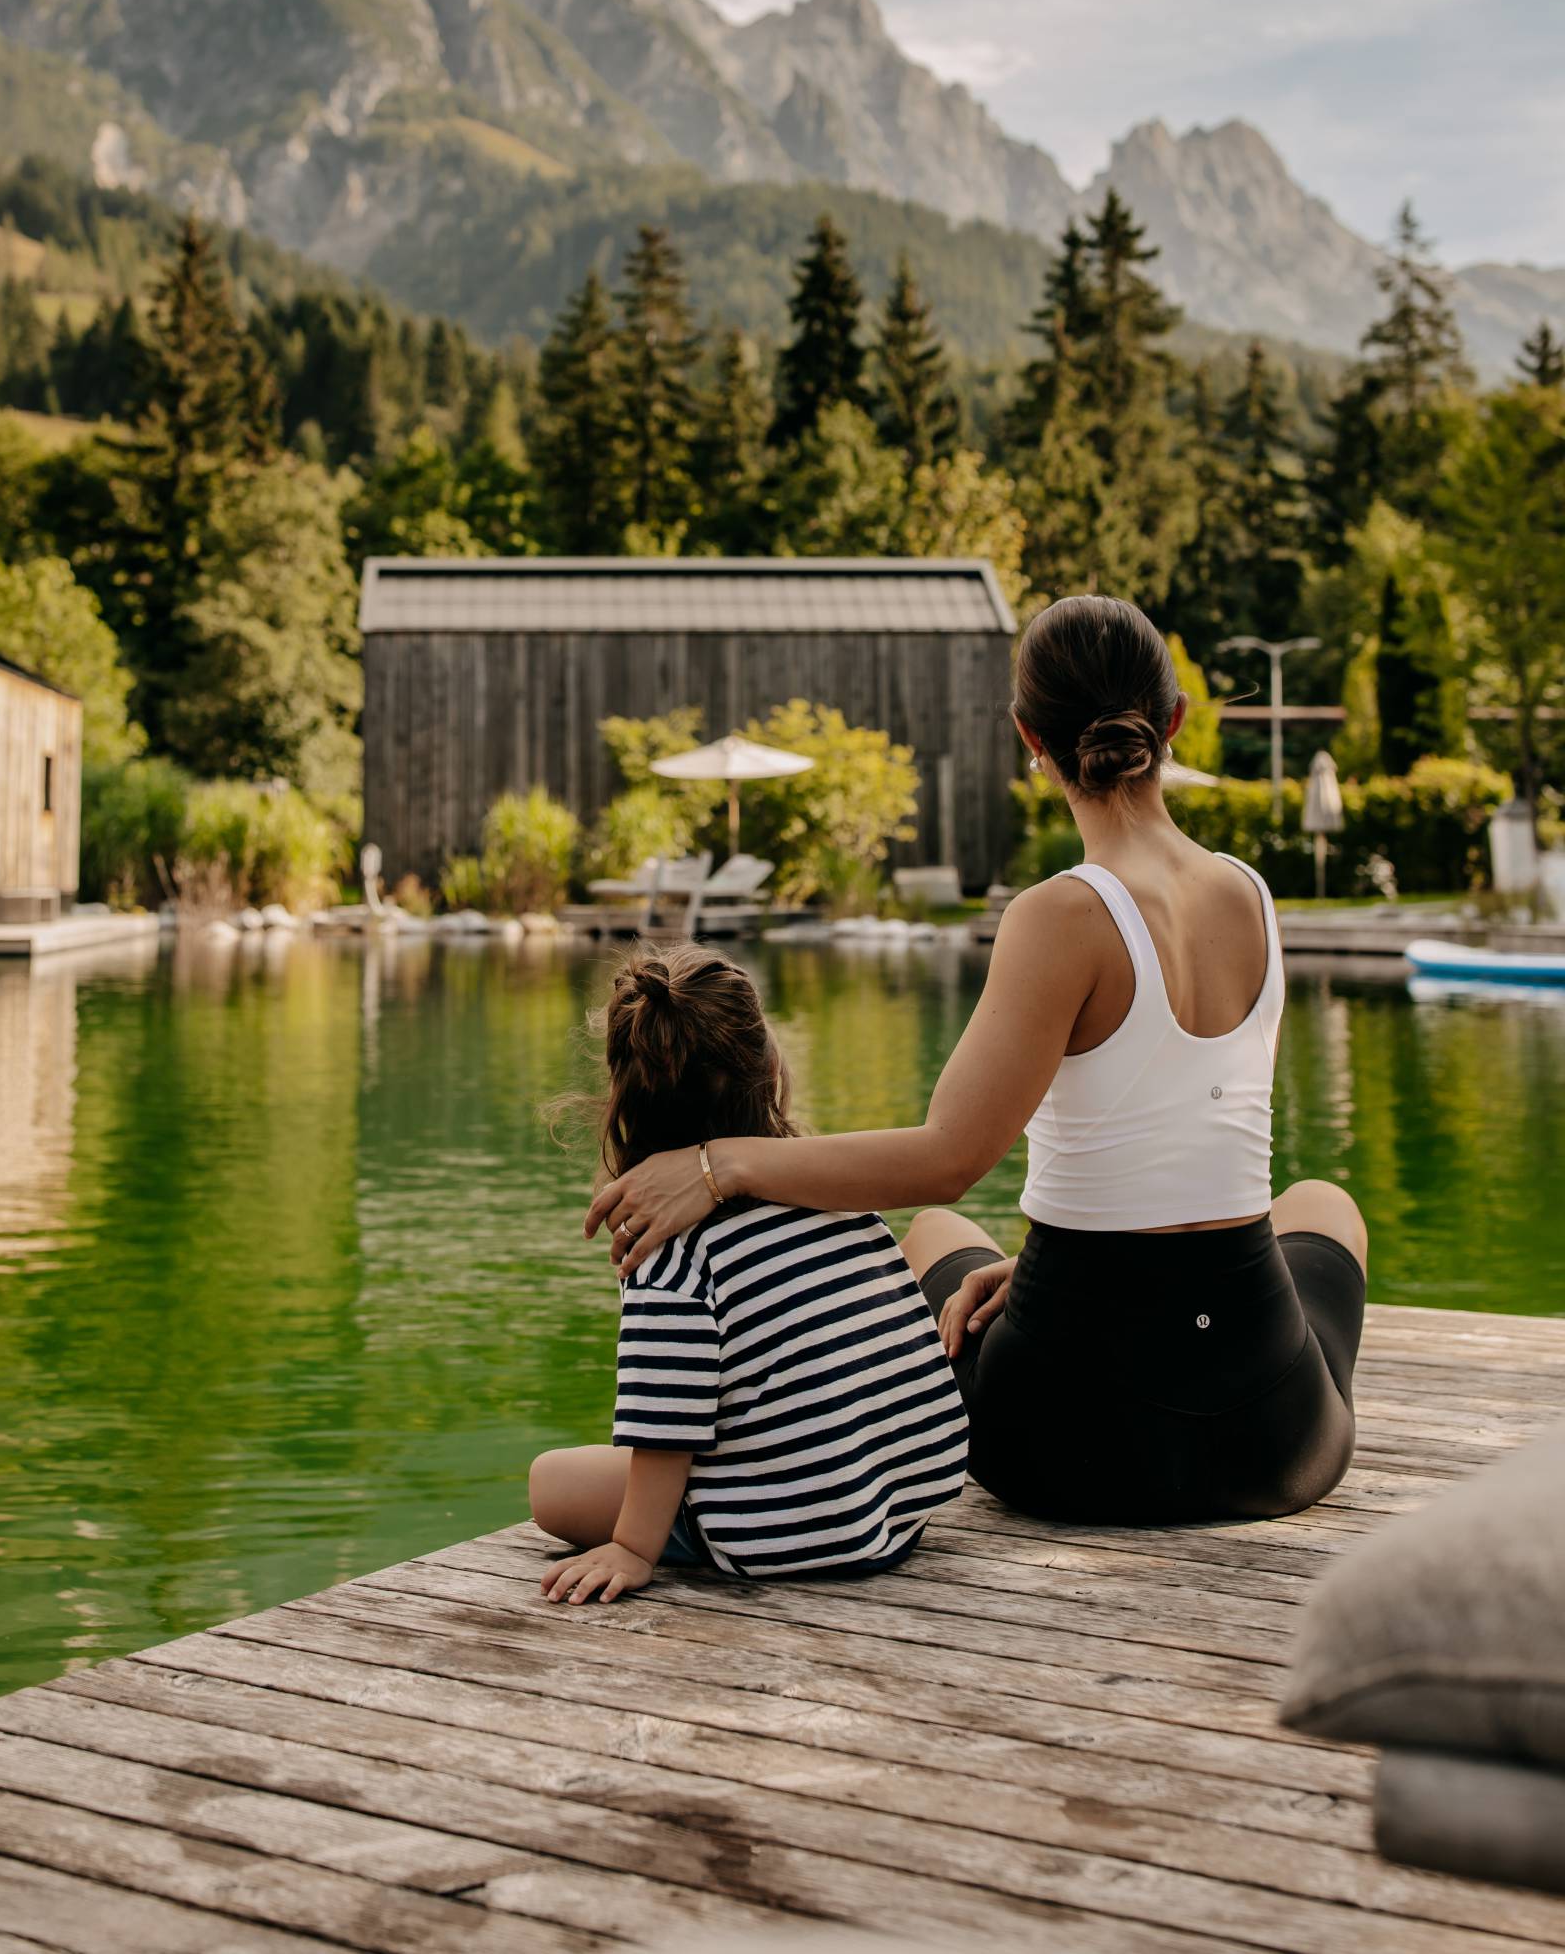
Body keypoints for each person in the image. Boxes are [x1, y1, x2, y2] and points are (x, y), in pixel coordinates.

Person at [588, 596, 1368, 1527]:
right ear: (1174, 723)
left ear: (1028, 737)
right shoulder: (1251, 893)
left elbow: (948, 1160)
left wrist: (722, 1165)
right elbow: (1182, 1150)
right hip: (1275, 1445)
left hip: (1069, 1448)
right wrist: (1043, 1262)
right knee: (1324, 1205)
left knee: (936, 1231)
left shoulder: (1062, 915)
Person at [531, 942, 968, 1600]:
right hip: (903, 1505)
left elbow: (666, 1428)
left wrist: (630, 1547)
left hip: (786, 1531)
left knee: (550, 1483)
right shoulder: (833, 1190)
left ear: (625, 1098)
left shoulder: (673, 1254)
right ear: (771, 1067)